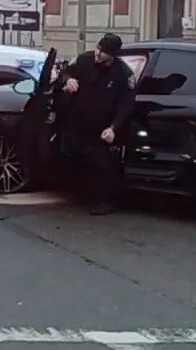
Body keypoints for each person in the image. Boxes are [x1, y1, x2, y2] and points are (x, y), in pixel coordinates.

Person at [54, 32, 135, 215]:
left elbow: (127, 104)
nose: (97, 55)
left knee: (102, 163)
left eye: (102, 53)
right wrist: (69, 80)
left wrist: (114, 127)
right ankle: (80, 194)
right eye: (97, 49)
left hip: (102, 127)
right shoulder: (84, 60)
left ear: (113, 55)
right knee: (73, 154)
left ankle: (104, 201)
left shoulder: (123, 73)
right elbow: (64, 73)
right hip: (78, 122)